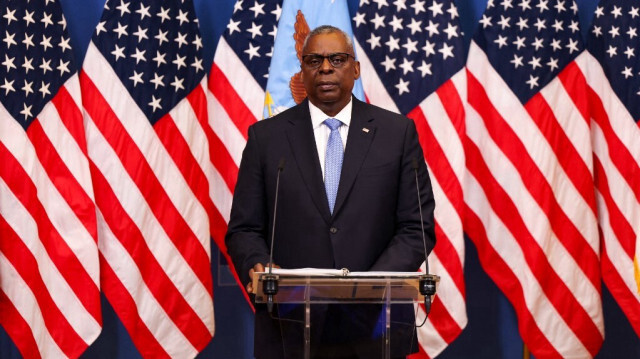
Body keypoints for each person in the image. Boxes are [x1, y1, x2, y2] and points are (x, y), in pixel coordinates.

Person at [225, 25, 436, 359]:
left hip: (375, 324)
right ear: (303, 70)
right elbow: (244, 229)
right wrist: (260, 265)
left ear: (355, 68)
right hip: (290, 323)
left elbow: (416, 227)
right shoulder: (267, 138)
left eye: (336, 59)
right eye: (314, 60)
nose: (325, 68)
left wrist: (370, 287)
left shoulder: (397, 134)